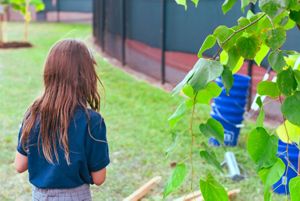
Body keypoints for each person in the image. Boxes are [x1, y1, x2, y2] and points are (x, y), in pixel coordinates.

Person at [14, 39, 110, 201]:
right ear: (86, 76)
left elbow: (19, 165)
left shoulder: (33, 114)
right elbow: (99, 178)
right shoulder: (93, 121)